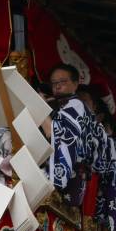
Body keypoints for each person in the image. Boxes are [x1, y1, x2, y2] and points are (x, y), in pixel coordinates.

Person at [45, 63, 91, 207]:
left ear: (75, 84)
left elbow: (55, 133)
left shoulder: (76, 104)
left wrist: (37, 107)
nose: (57, 86)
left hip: (71, 176)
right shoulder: (58, 105)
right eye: (54, 83)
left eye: (63, 82)